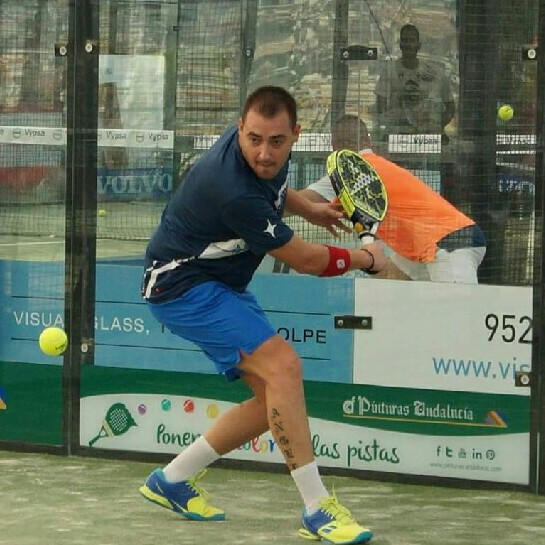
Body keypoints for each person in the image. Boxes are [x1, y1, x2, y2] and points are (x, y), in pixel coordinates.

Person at [140, 87, 384, 544]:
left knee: (273, 399)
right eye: (254, 140)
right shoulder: (230, 188)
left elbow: (274, 188)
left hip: (220, 283)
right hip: (181, 287)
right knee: (285, 367)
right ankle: (317, 509)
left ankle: (171, 479)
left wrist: (308, 207)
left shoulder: (263, 157)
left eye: (275, 141)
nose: (264, 153)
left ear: (295, 134)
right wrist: (366, 259)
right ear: (240, 130)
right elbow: (307, 261)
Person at [300, 115, 486, 283]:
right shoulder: (378, 165)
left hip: (450, 241)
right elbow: (383, 269)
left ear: (334, 145)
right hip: (428, 242)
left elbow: (295, 203)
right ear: (368, 141)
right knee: (391, 282)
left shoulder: (348, 172)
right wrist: (361, 259)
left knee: (458, 308)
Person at [375, 23, 455, 137]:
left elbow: (450, 106)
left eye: (412, 40)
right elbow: (381, 106)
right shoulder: (389, 72)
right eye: (405, 40)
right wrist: (391, 126)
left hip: (426, 136)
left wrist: (436, 127)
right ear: (400, 45)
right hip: (399, 135)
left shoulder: (434, 73)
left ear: (419, 45)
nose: (408, 45)